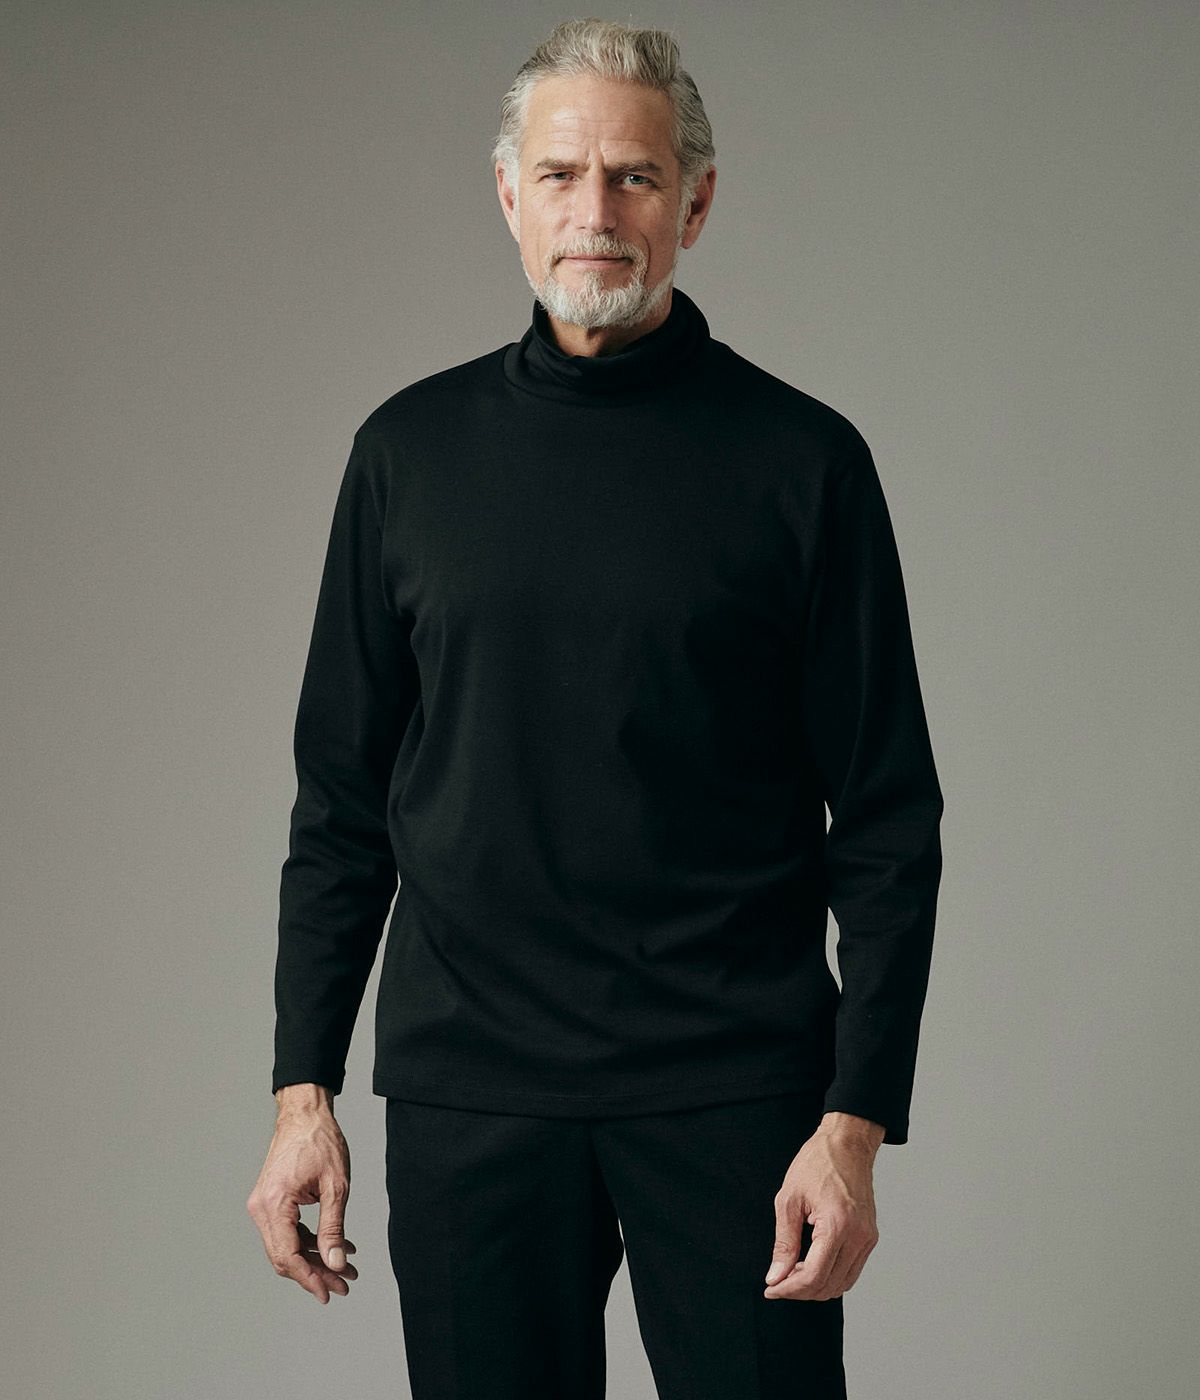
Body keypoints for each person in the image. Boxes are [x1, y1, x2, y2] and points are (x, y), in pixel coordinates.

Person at [247, 17, 944, 1399]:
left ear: (696, 202)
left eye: (635, 176)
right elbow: (339, 806)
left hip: (738, 1092)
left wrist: (854, 1124)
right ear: (510, 194)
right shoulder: (408, 456)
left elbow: (887, 818)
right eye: (562, 175)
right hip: (472, 1089)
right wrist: (301, 1095)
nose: (597, 213)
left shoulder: (804, 464)